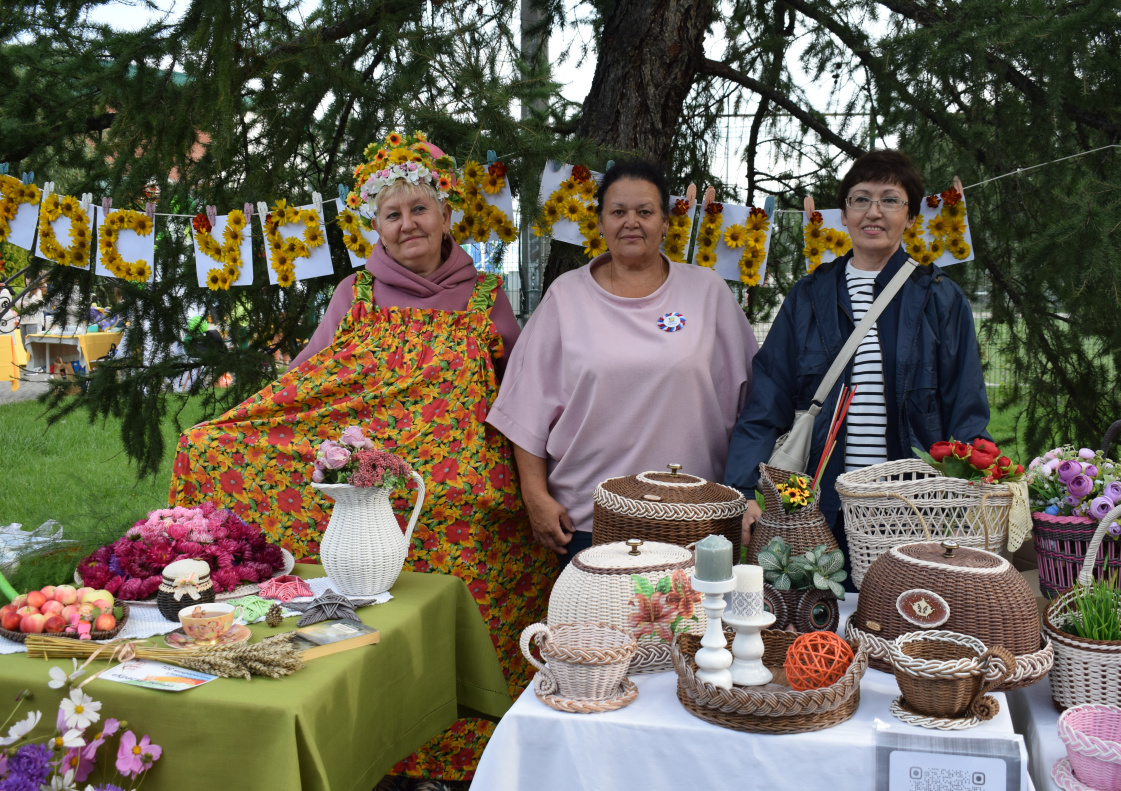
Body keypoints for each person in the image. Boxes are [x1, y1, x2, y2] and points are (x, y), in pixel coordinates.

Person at [169, 132, 556, 787]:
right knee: (365, 618)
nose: (407, 224)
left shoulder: (485, 294)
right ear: (374, 224)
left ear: (446, 215)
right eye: (392, 213)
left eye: (419, 209)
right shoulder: (356, 292)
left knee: (473, 594)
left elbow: (518, 394)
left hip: (457, 492)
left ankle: (470, 754)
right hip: (367, 487)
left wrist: (528, 483)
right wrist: (227, 433)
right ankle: (378, 744)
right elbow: (305, 384)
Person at [723, 149, 990, 580]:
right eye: (860, 199)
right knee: (810, 623)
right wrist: (742, 490)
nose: (874, 212)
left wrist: (973, 494)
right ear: (844, 214)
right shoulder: (808, 297)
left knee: (900, 623)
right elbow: (766, 402)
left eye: (890, 199)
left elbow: (966, 410)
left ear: (911, 215)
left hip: (911, 512)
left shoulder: (940, 299)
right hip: (811, 509)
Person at [488, 160, 757, 562]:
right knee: (596, 627)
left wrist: (745, 493)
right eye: (618, 212)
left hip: (697, 520)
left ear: (666, 222)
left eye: (645, 211)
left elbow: (754, 404)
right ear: (599, 222)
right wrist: (535, 496)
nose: (631, 222)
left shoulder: (707, 293)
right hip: (588, 521)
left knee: (694, 627)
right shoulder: (566, 297)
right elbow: (524, 412)